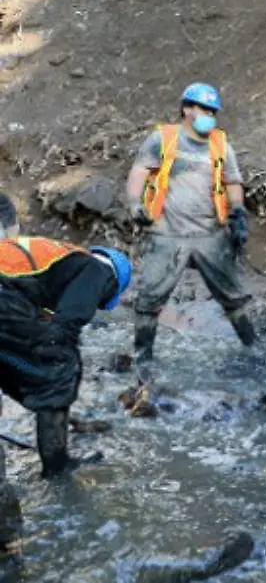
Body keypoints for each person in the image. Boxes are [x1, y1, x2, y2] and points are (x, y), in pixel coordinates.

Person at [124, 83, 255, 371]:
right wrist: (135, 204)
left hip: (211, 234)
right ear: (187, 109)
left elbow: (233, 182)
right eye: (204, 109)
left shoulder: (220, 145)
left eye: (213, 110)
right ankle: (142, 356)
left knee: (233, 296)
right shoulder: (163, 139)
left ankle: (254, 349)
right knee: (149, 298)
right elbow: (139, 173)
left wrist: (238, 212)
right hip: (168, 233)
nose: (210, 115)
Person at [0, 193, 132, 477]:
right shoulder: (98, 271)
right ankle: (57, 467)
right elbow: (66, 324)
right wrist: (60, 384)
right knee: (60, 367)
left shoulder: (59, 259)